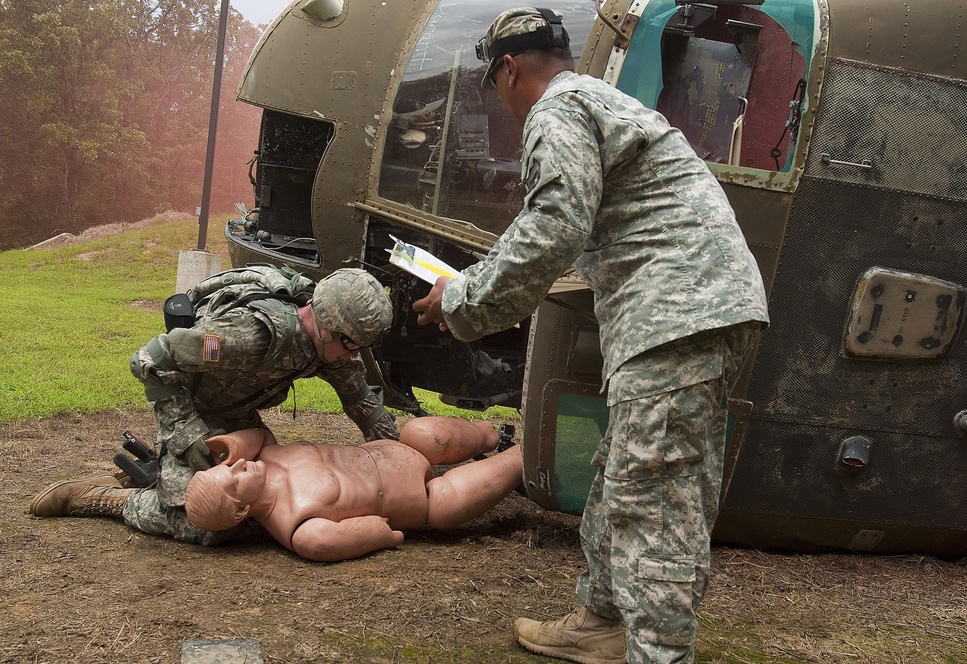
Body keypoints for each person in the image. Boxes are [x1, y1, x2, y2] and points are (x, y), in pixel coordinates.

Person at [412, 8, 769, 664]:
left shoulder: (557, 108)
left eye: (495, 85)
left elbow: (554, 222)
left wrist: (461, 299)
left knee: (654, 495)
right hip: (689, 308)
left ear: (510, 69)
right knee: (622, 472)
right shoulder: (599, 102)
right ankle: (602, 624)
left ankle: (658, 652)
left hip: (678, 312)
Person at [30, 267, 400, 546]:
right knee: (207, 523)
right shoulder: (249, 336)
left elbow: (362, 403)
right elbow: (150, 360)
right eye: (352, 346)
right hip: (194, 411)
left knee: (261, 502)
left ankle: (155, 472)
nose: (353, 357)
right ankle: (109, 499)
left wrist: (398, 453)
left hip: (239, 419)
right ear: (330, 327)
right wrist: (190, 438)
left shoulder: (329, 346)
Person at [183, 417, 523, 562]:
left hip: (398, 450)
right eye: (234, 477)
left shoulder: (264, 455)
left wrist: (232, 446)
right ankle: (523, 456)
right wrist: (388, 536)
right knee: (447, 506)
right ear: (240, 510)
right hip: (424, 496)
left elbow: (258, 433)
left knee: (423, 433)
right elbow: (365, 533)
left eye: (229, 466)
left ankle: (491, 434)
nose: (239, 466)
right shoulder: (300, 527)